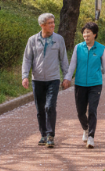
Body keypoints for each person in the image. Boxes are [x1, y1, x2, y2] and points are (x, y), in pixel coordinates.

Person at [21, 12, 69, 149]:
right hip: (37, 80)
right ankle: (43, 134)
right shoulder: (32, 40)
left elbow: (63, 59)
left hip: (53, 79)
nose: (53, 25)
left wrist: (66, 76)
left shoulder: (59, 39)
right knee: (40, 109)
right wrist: (25, 76)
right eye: (50, 23)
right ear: (42, 25)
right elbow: (27, 59)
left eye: (53, 22)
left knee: (50, 106)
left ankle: (50, 135)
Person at [63, 21, 105, 148]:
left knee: (92, 110)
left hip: (95, 83)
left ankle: (91, 136)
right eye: (84, 33)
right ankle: (85, 128)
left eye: (88, 33)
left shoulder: (101, 48)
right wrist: (68, 78)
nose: (86, 35)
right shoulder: (78, 48)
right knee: (80, 112)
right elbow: (73, 64)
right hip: (80, 83)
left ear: (95, 34)